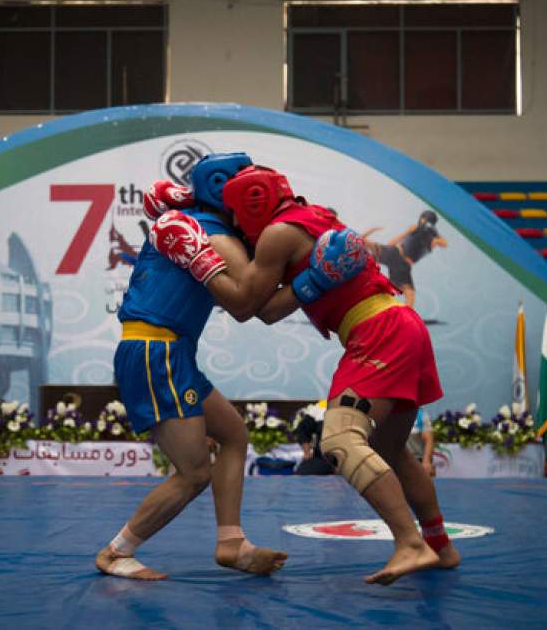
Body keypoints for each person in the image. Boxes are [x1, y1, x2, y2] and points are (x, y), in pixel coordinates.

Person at [150, 165, 460, 585]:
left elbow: (247, 309)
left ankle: (409, 542)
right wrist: (314, 280)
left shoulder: (278, 234)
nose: (237, 227)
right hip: (403, 324)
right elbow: (275, 310)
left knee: (340, 439)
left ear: (251, 204)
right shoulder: (317, 218)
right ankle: (441, 546)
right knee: (391, 448)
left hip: (377, 330)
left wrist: (201, 262)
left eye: (236, 216)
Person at [361, 211, 447, 307]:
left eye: (426, 221)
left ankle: (401, 316)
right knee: (366, 245)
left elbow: (443, 243)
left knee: (410, 295)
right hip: (395, 253)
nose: (423, 222)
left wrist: (436, 234)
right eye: (422, 219)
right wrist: (408, 232)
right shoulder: (414, 230)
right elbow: (393, 243)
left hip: (403, 267)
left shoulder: (432, 238)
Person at [292, 403, 334, 476]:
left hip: (351, 457)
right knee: (302, 474)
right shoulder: (321, 406)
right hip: (323, 458)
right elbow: (302, 430)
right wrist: (307, 452)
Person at [407, 408, 436, 477]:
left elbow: (429, 440)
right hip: (395, 462)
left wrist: (426, 461)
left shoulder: (421, 415)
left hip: (417, 461)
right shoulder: (390, 413)